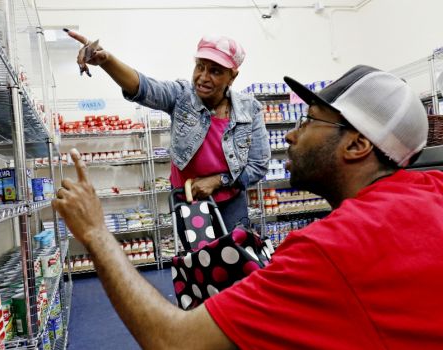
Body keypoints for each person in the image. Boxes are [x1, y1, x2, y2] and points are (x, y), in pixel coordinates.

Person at [53, 65, 443, 349]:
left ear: (357, 145)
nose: (290, 134)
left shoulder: (333, 249)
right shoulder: (433, 188)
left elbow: (172, 342)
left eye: (308, 122)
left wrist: (95, 233)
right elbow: (145, 87)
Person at [66, 31, 271, 232]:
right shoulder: (182, 96)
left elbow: (258, 166)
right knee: (199, 262)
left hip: (231, 204)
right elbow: (144, 87)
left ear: (232, 76)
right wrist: (106, 60)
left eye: (215, 71)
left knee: (236, 260)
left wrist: (218, 181)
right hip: (189, 201)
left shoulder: (249, 109)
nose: (203, 77)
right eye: (200, 66)